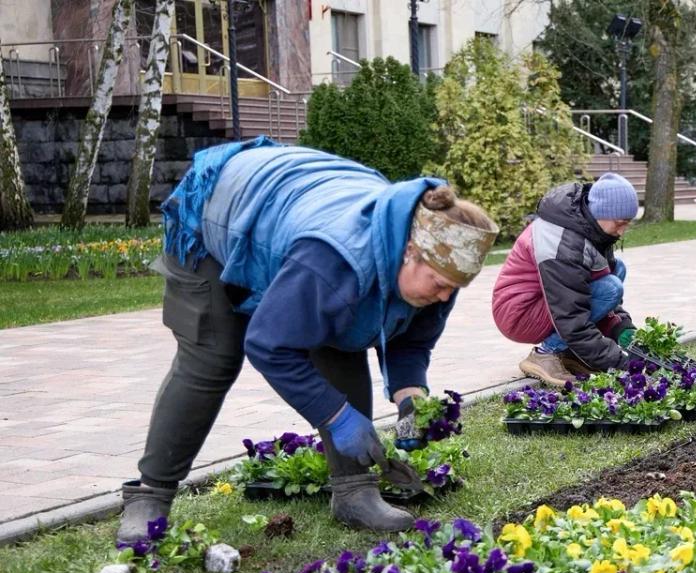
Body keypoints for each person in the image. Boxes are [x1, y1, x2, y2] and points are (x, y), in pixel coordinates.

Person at [116, 140, 498, 543]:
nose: (443, 296)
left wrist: (410, 399)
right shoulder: (335, 261)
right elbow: (268, 345)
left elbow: (411, 342)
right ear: (409, 252)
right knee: (214, 355)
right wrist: (337, 417)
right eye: (439, 285)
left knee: (340, 333)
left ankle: (354, 493)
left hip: (299, 204)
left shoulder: (444, 270)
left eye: (452, 289)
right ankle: (150, 495)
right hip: (221, 206)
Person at [492, 173, 639, 387]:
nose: (622, 230)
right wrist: (622, 363)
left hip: (545, 304)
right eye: (620, 223)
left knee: (617, 270)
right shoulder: (564, 243)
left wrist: (621, 327)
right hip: (519, 313)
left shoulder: (593, 230)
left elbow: (587, 300)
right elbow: (572, 316)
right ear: (601, 213)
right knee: (610, 287)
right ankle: (545, 353)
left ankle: (568, 352)